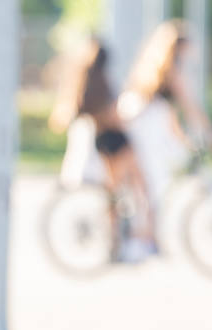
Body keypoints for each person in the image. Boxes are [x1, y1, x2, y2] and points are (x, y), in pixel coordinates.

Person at [50, 36, 159, 262]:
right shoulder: (104, 82)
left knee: (113, 193)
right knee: (140, 188)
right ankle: (143, 236)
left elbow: (65, 115)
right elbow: (115, 116)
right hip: (118, 141)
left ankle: (116, 240)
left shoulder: (82, 81)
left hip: (102, 142)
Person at [120, 19, 212, 210]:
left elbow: (170, 114)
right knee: (154, 179)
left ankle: (143, 223)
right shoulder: (173, 71)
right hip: (146, 125)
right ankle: (142, 231)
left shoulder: (155, 66)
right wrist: (210, 133)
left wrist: (184, 139)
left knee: (155, 179)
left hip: (142, 119)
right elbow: (190, 105)